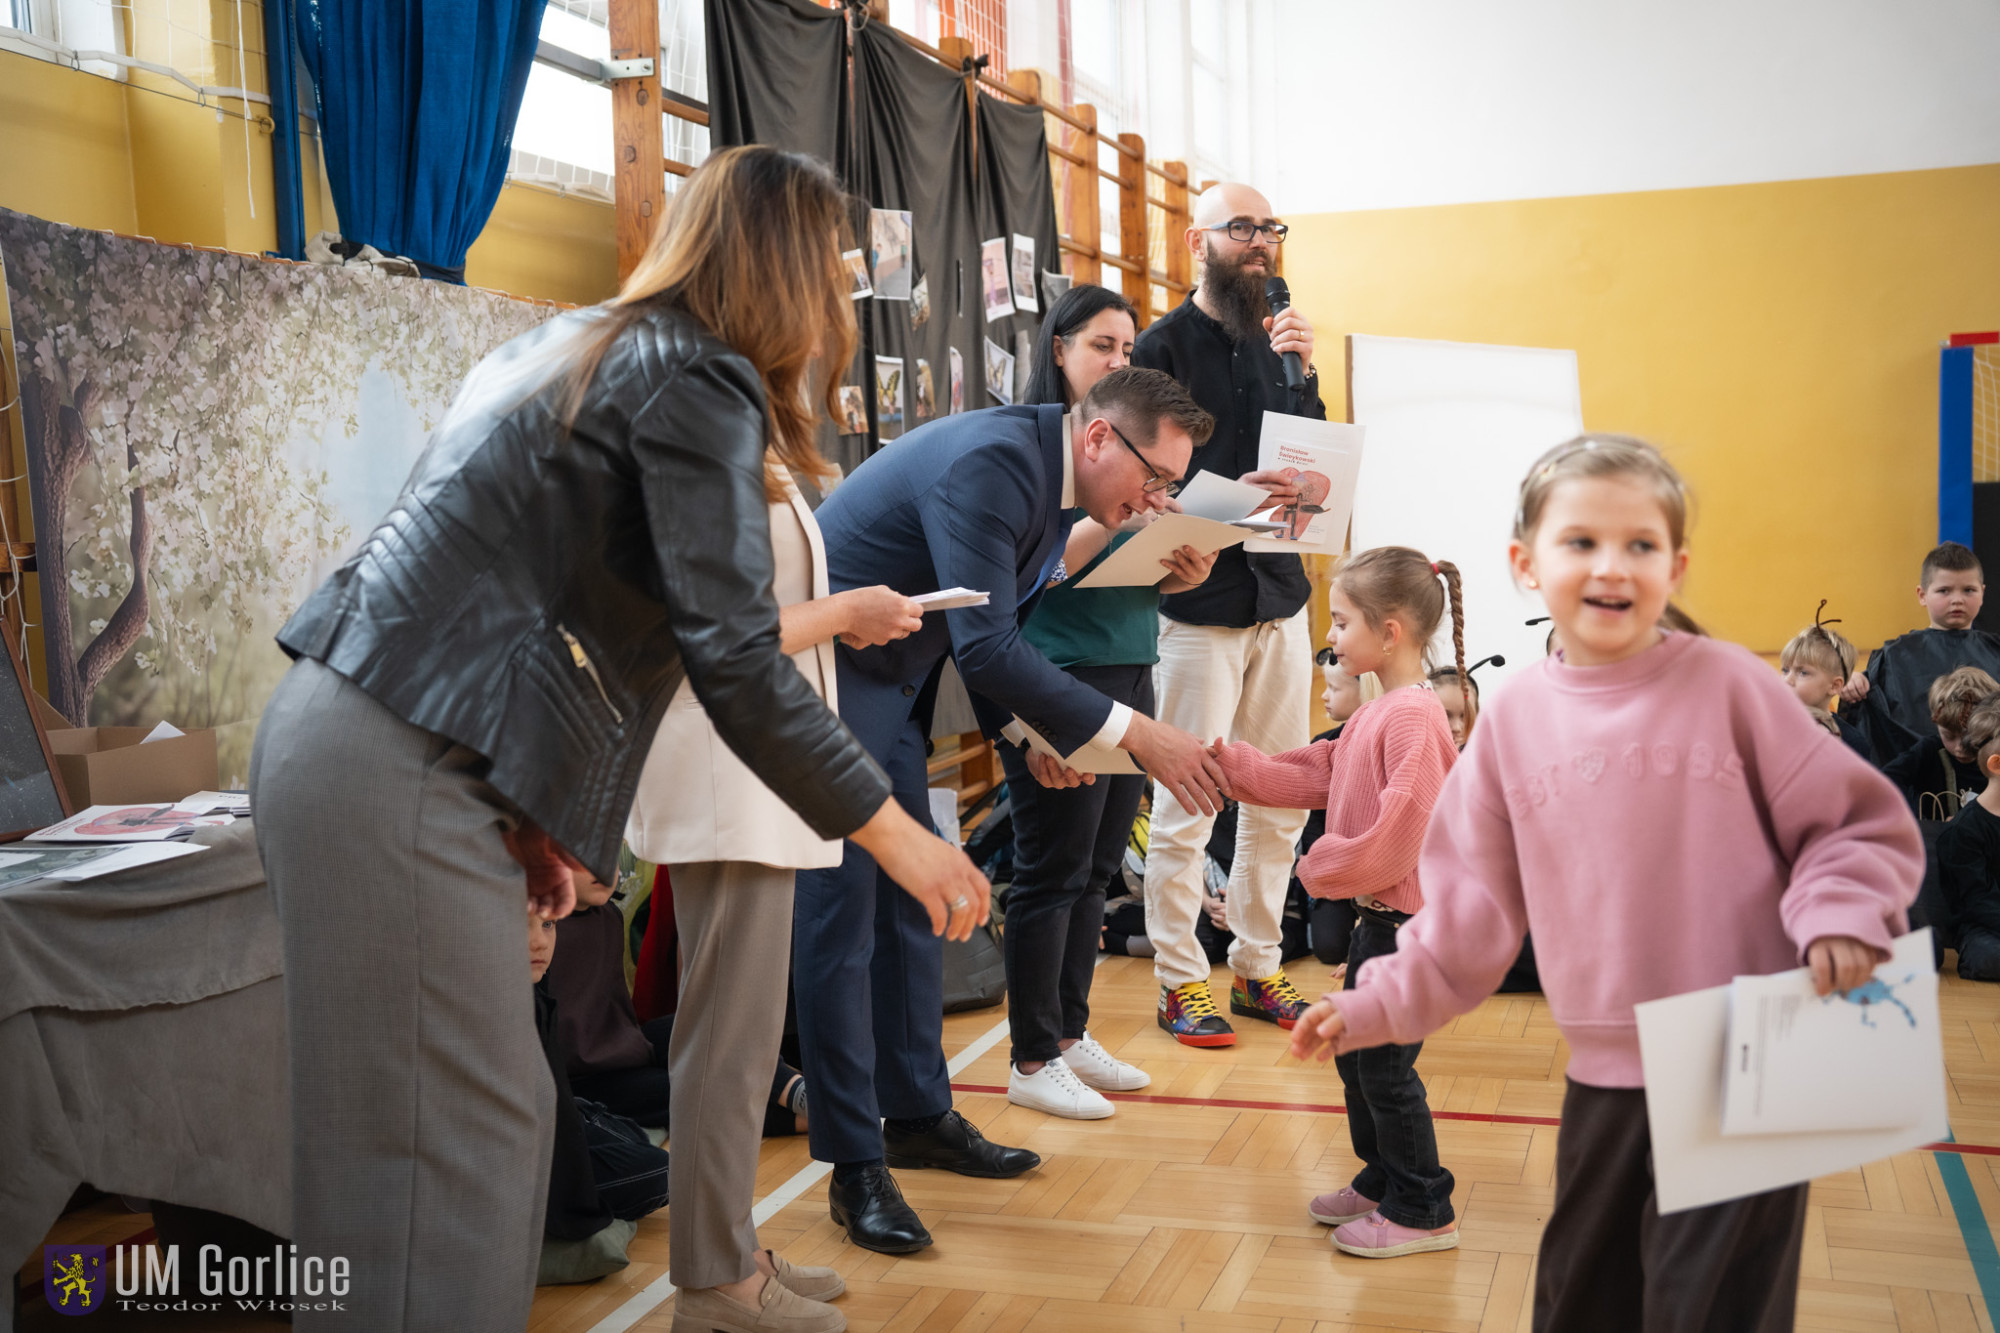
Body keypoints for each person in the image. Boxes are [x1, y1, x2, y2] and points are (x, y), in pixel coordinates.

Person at [247, 147, 988, 1333]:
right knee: (458, 1146)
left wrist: (534, 819)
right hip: (396, 759)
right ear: (786, 268)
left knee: (410, 1141)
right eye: (834, 269)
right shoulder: (696, 376)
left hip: (361, 740)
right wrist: (902, 839)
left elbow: (532, 614)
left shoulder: (568, 347)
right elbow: (733, 654)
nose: (840, 300)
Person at [1288, 435, 1921, 1327]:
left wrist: (1843, 911)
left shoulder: (1736, 688)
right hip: (1608, 1072)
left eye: (1640, 544)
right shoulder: (1513, 727)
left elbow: (1855, 822)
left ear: (1676, 563)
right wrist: (1372, 1006)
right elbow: (1465, 912)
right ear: (1527, 564)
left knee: (1715, 1309)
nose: (1611, 565)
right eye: (1580, 542)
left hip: (1750, 1057)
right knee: (1583, 1300)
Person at [796, 366, 1229, 1256]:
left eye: (1173, 490)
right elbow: (988, 646)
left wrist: (1031, 732)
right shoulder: (999, 462)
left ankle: (916, 1114)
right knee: (843, 926)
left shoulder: (1054, 478)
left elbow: (992, 622)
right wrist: (1138, 732)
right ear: (1100, 436)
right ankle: (852, 1166)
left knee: (914, 915)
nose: (1159, 502)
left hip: (895, 686)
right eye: (1155, 479)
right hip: (827, 688)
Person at [1002, 285, 1219, 1121]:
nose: (1118, 357)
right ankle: (1030, 1053)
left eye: (1128, 346)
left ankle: (1067, 1033)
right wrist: (1129, 521)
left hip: (1130, 661)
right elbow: (1043, 570)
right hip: (1061, 672)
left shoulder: (1131, 454)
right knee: (1050, 868)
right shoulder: (1040, 454)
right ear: (1058, 349)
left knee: (1095, 869)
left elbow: (1113, 573)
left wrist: (1172, 566)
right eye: (1102, 343)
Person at [1211, 547, 1466, 1258]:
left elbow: (1402, 828)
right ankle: (1385, 1177)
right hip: (1379, 927)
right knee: (1359, 1057)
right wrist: (1237, 766)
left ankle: (1424, 1206)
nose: (1330, 634)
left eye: (1343, 621)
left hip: (1410, 930)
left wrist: (1320, 866)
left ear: (1390, 632)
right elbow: (1320, 768)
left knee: (1385, 1067)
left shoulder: (1413, 717)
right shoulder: (1379, 711)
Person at [1133, 180, 1325, 1047]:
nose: (1259, 242)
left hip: (1280, 600)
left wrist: (1306, 381)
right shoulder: (1160, 347)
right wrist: (1227, 504)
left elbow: (1309, 461)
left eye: (1269, 228)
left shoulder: (1279, 344)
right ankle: (1182, 980)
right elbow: (1147, 484)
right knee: (1190, 802)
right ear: (1196, 239)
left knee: (1280, 800)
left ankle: (1256, 964)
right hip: (1198, 607)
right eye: (1241, 226)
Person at [547, 868, 811, 1138]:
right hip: (584, 1077)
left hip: (624, 1046)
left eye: (610, 856)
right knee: (690, 1092)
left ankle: (802, 1094)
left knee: (712, 1023)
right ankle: (818, 1120)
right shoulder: (543, 931)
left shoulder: (607, 915)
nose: (602, 868)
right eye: (583, 859)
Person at [529, 907, 673, 1251]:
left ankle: (802, 1097)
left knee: (632, 1136)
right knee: (659, 1171)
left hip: (579, 1096)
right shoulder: (495, 997)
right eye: (522, 924)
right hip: (540, 1132)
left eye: (548, 925)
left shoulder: (607, 916)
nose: (538, 942)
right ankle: (807, 1104)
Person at [1841, 541, 2000, 758]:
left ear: (1982, 593)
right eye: (1944, 590)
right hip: (1916, 775)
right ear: (1922, 595)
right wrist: (1853, 685)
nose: (1957, 600)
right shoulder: (1894, 655)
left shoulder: (1995, 651)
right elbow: (1866, 717)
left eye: (1968, 590)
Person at [1940, 693, 2000, 982]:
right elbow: (1976, 903)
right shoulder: (1965, 830)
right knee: (1987, 957)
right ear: (1996, 765)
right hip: (1985, 927)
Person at [1779, 604, 1871, 762]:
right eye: (1785, 670)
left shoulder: (1851, 742)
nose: (1787, 680)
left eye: (1803, 673)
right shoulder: (1769, 725)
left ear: (1835, 686)